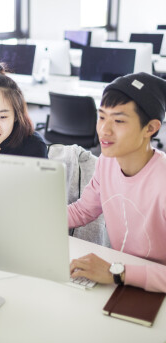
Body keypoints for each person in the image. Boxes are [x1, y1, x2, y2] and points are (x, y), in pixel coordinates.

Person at [68, 72, 166, 293]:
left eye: (119, 121)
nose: (105, 130)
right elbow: (83, 210)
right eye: (102, 117)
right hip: (124, 280)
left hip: (153, 290)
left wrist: (117, 272)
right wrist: (34, 217)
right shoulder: (107, 162)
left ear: (150, 128)